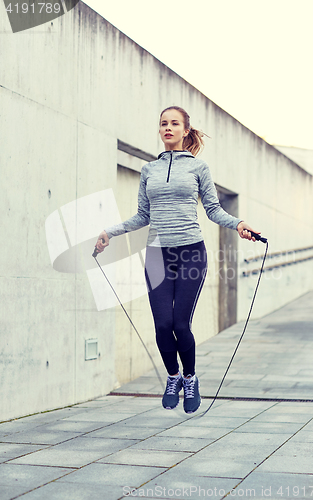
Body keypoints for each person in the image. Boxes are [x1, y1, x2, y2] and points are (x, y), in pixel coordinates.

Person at [95, 106, 261, 414]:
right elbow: (142, 216)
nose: (168, 128)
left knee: (181, 325)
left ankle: (190, 377)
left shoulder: (199, 168)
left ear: (186, 130)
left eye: (174, 124)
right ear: (159, 130)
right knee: (162, 325)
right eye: (163, 124)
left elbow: (213, 210)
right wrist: (109, 232)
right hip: (158, 254)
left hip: (190, 253)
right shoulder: (149, 171)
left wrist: (238, 223)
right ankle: (173, 377)